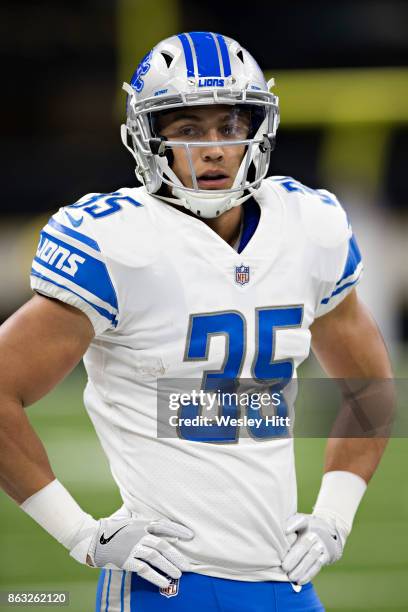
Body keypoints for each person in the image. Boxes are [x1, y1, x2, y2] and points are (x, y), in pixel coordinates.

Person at [0, 31, 392, 611]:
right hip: (166, 582)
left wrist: (335, 513)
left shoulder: (309, 225)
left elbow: (371, 388)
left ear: (258, 129)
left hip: (285, 581)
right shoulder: (118, 241)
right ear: (147, 139)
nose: (213, 148)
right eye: (187, 130)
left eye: (230, 127)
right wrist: (78, 532)